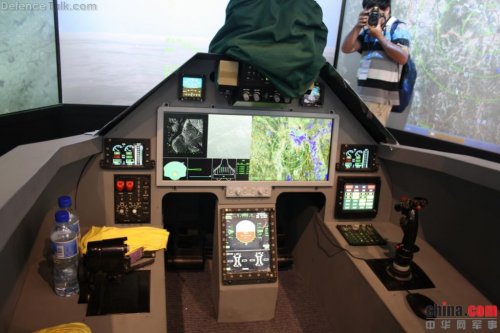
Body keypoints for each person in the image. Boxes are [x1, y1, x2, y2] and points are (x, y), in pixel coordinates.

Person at [341, 0, 410, 126]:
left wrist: (380, 36)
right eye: (369, 9)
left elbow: (403, 58)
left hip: (381, 97)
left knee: (370, 137)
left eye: (376, 10)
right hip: (362, 93)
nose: (373, 15)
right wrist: (357, 27)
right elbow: (346, 48)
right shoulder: (368, 31)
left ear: (387, 9)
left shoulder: (397, 26)